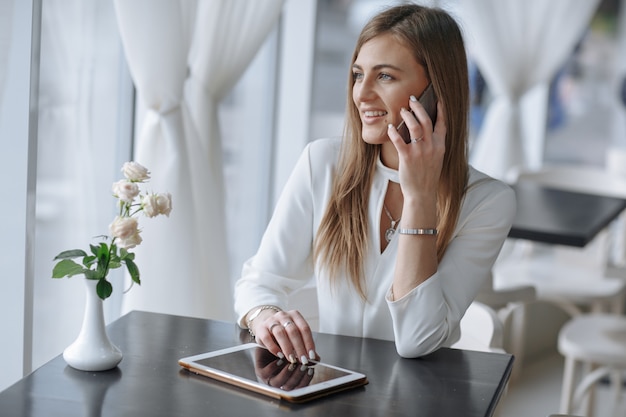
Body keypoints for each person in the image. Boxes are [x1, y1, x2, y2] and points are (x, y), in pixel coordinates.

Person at [234, 4, 515, 364]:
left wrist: (420, 197)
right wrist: (266, 317)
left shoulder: (487, 202)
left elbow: (417, 340)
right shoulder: (322, 164)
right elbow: (258, 282)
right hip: (328, 390)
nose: (361, 94)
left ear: (435, 93)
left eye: (384, 77)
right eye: (357, 74)